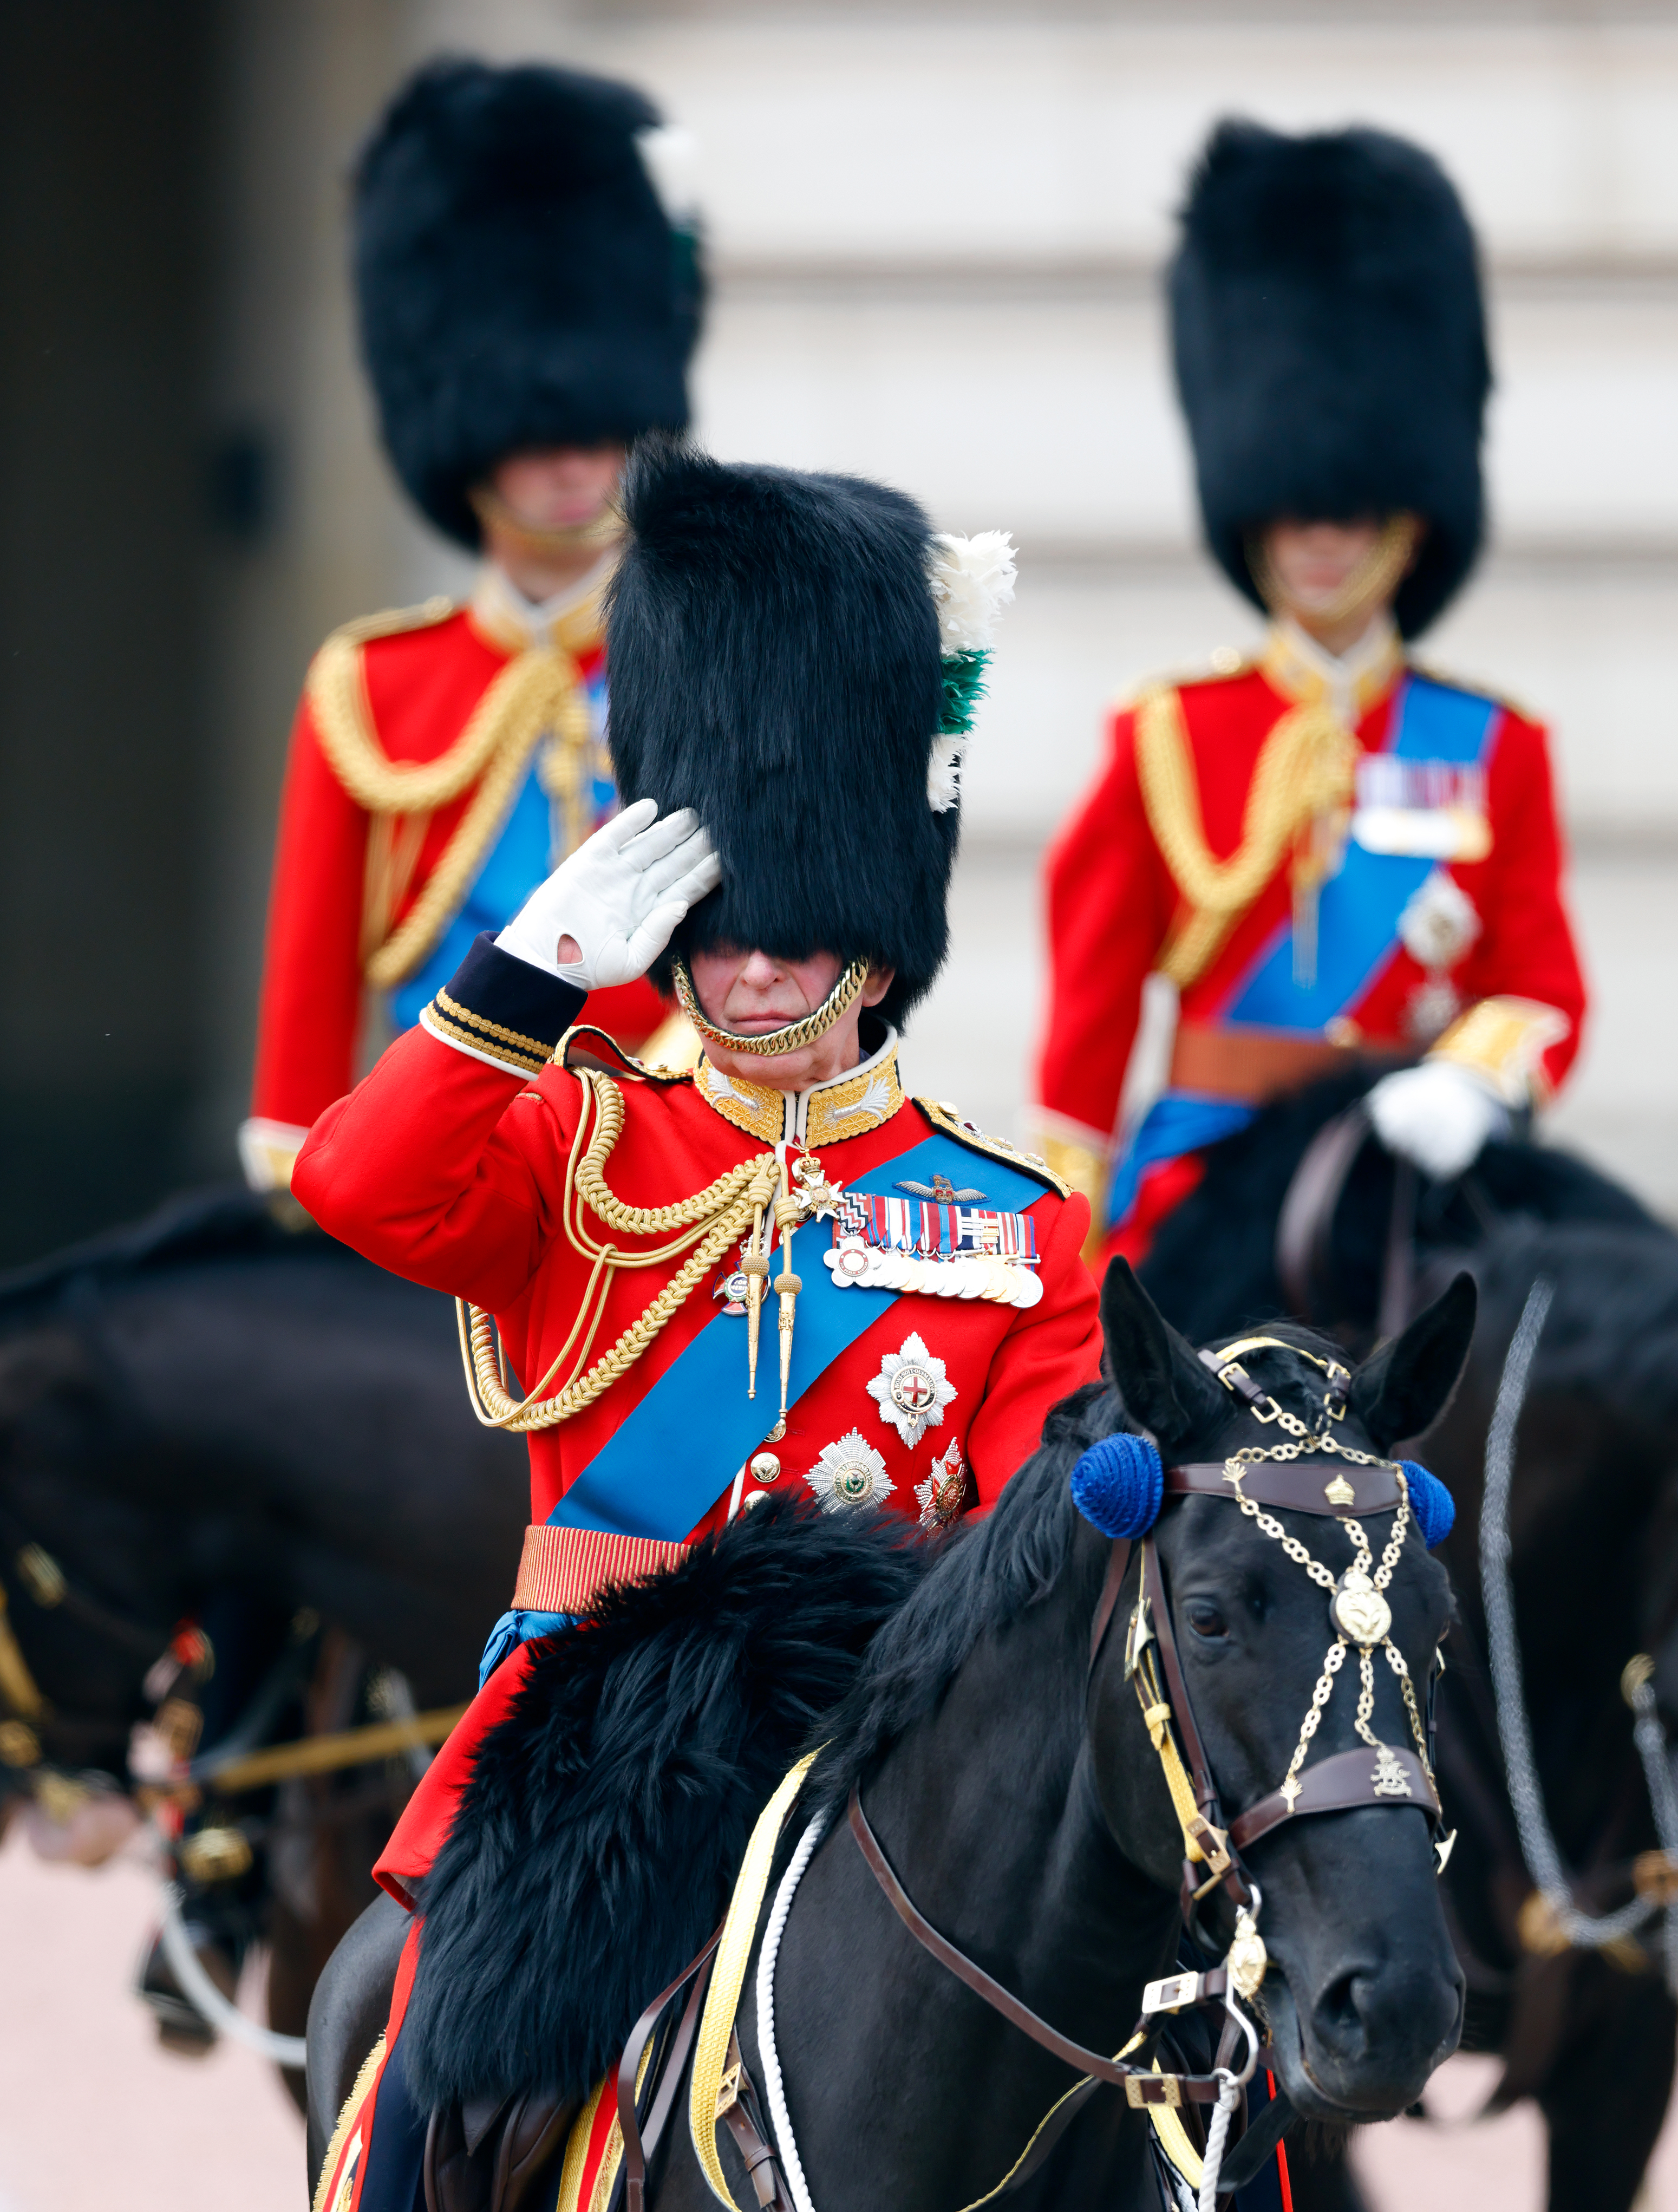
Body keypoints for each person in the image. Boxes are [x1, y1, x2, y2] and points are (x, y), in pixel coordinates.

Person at [296, 443, 1098, 2210]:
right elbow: (358, 1184)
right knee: (417, 2080)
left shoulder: (1017, 1213)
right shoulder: (581, 1133)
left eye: (790, 928)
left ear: (875, 934)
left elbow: (1045, 1515)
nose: (744, 968)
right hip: (599, 1750)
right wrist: (523, 974)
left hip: (885, 1736)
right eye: (718, 927)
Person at [1033, 121, 1587, 1271]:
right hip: (1210, 1174)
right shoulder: (1167, 737)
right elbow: (1088, 1023)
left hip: (1410, 1170)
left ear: (1408, 516)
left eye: (1349, 510)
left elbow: (1537, 983)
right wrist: (1065, 1223)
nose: (1320, 540)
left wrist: (1471, 1082)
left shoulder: (1495, 746)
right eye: (1294, 511)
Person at [241, 59, 704, 1194]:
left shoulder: (704, 656)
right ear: (466, 441)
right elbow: (310, 968)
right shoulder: (373, 682)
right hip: (431, 1161)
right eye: (535, 437)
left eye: (600, 431)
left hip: (665, 1168)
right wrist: (296, 1152)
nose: (573, 466)